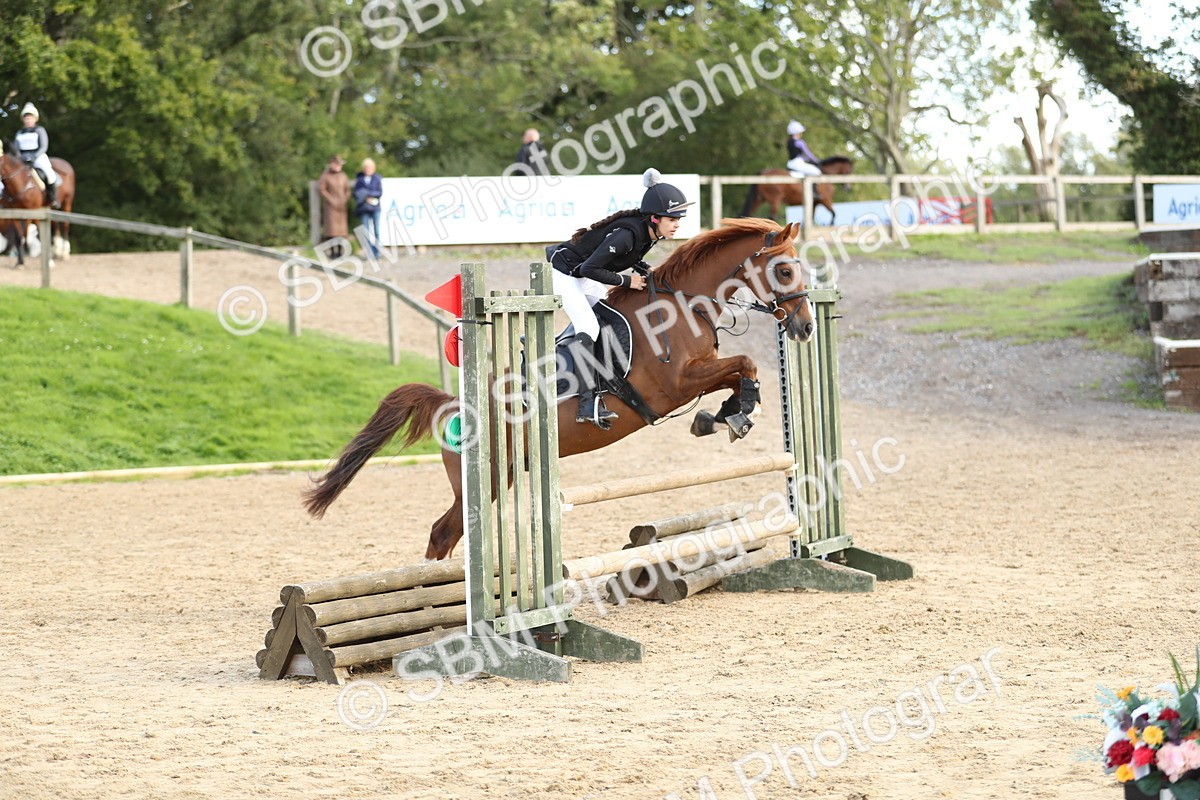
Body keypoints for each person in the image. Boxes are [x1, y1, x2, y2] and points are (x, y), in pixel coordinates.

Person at [545, 168, 692, 429]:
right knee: (589, 327)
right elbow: (589, 268)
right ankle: (586, 405)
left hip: (582, 274)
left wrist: (645, 269)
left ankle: (603, 374)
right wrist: (627, 281)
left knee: (611, 315)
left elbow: (627, 257)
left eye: (678, 219)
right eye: (672, 219)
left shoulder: (650, 233)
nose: (677, 224)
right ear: (655, 218)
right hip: (565, 274)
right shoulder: (628, 234)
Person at [14, 103, 60, 208]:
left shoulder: (40, 130)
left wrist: (34, 157)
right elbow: (16, 148)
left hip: (38, 157)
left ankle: (53, 197)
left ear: (35, 119)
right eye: (26, 118)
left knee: (49, 174)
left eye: (30, 118)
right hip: (22, 158)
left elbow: (43, 146)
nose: (28, 120)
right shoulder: (19, 133)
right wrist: (20, 157)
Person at [318, 155, 351, 258]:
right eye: (337, 164)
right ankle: (332, 252)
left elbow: (347, 189)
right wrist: (331, 200)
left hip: (341, 208)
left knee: (341, 232)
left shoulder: (343, 176)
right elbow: (322, 189)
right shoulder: (326, 176)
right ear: (332, 164)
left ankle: (341, 252)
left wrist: (345, 199)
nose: (339, 166)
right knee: (331, 231)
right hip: (330, 208)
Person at [353, 158, 383, 259]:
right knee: (365, 232)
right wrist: (365, 198)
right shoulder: (360, 179)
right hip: (363, 208)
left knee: (376, 231)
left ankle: (377, 253)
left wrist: (368, 195)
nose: (368, 169)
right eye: (366, 167)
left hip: (375, 208)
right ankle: (369, 253)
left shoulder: (377, 178)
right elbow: (356, 193)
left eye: (370, 167)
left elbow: (379, 192)